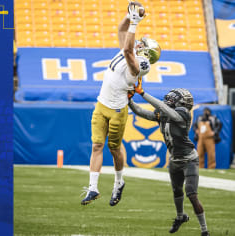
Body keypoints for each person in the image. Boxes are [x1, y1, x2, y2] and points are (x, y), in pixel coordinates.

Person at [81, 1, 161, 206]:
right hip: (101, 104)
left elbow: (126, 51)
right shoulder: (132, 51)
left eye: (143, 45)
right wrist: (130, 15)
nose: (139, 44)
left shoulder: (141, 64)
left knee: (114, 148)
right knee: (97, 145)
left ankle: (119, 182)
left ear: (148, 54)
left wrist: (135, 22)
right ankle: (93, 188)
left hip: (117, 110)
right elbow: (121, 29)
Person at [128, 82, 210, 236]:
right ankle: (180, 217)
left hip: (189, 159)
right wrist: (129, 101)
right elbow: (141, 112)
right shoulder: (165, 114)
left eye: (175, 97)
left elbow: (165, 109)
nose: (171, 98)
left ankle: (204, 230)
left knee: (191, 194)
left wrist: (143, 93)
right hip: (174, 159)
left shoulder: (183, 113)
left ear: (182, 102)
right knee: (176, 191)